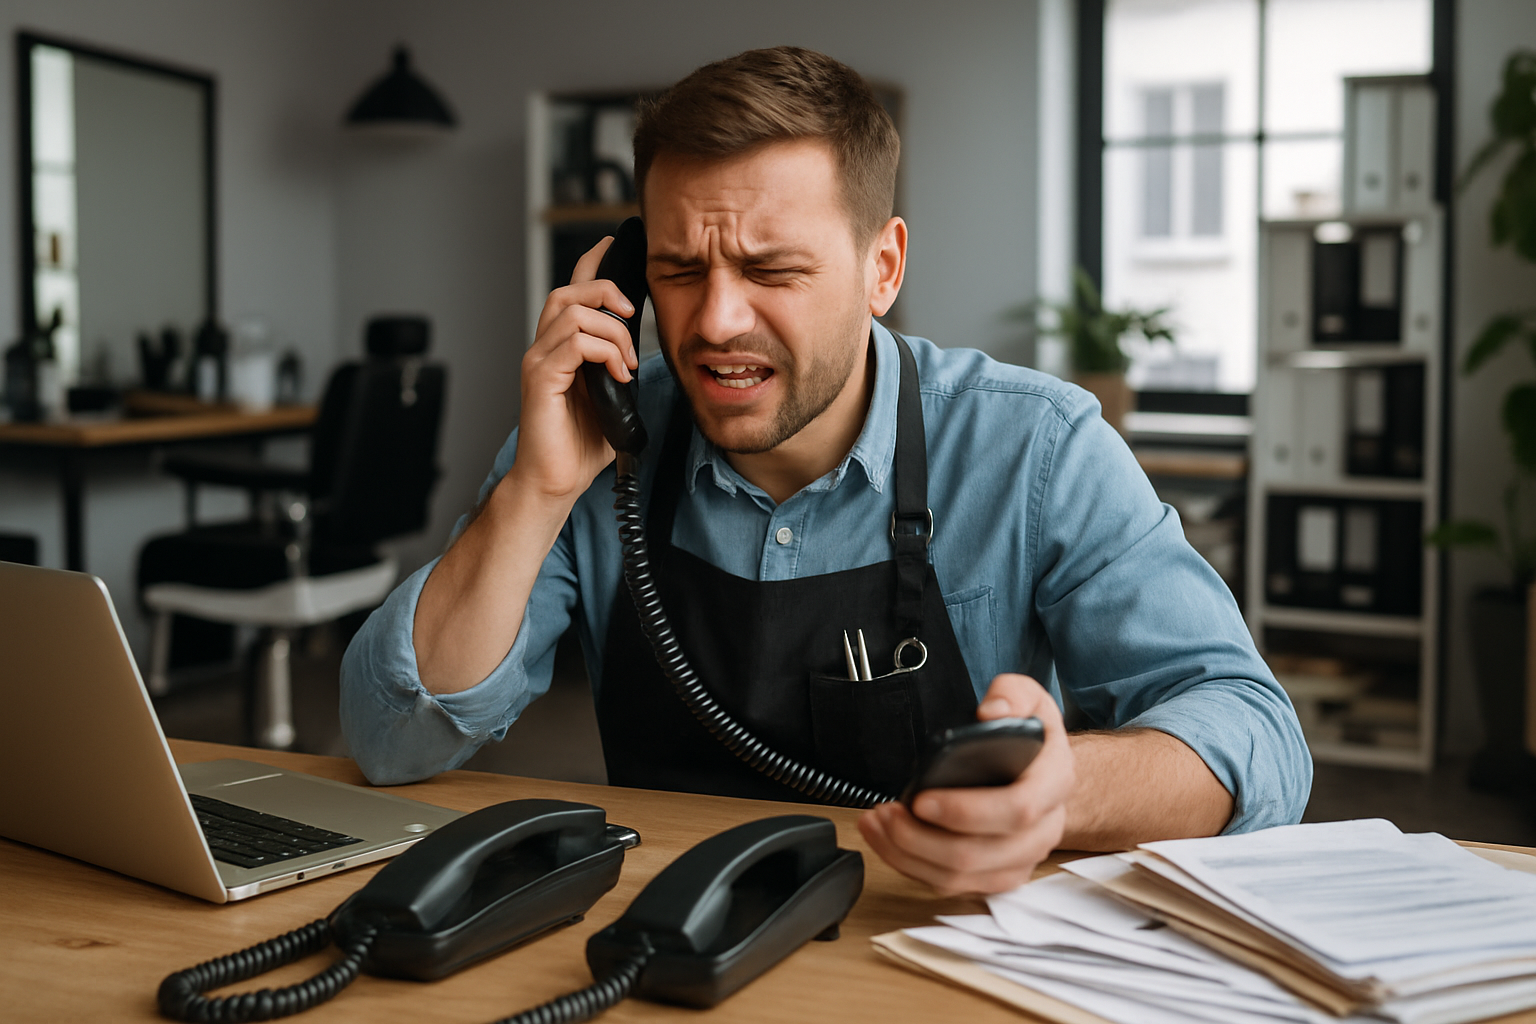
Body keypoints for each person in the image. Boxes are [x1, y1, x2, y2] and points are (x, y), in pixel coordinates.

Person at [340, 45, 1311, 895]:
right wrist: (536, 491)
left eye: (772, 270)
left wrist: (1065, 793)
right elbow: (388, 739)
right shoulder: (595, 441)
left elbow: (1253, 732)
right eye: (679, 269)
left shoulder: (1037, 446)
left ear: (883, 268)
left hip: (930, 942)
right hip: (666, 935)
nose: (716, 321)